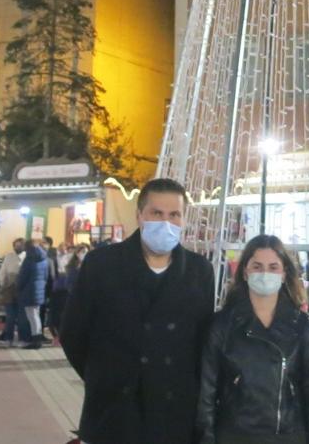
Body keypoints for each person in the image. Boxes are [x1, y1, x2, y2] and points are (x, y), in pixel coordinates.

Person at [61, 178, 215, 444]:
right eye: (157, 213)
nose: (166, 222)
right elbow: (74, 332)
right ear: (140, 216)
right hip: (115, 411)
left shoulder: (199, 270)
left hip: (175, 412)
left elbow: (202, 339)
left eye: (174, 214)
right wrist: (105, 377)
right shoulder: (102, 264)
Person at [197, 234, 309, 444]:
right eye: (257, 266)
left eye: (273, 267)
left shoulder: (302, 326)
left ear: (284, 273)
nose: (265, 273)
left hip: (289, 435)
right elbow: (206, 395)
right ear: (245, 272)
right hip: (235, 435)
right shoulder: (222, 325)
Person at [15, 237, 48, 349]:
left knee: (32, 316)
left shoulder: (29, 259)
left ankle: (35, 340)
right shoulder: (44, 257)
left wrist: (18, 288)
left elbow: (23, 276)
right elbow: (46, 276)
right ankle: (37, 338)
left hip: (28, 291)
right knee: (36, 315)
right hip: (39, 290)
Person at [0, 238, 25, 344]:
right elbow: (2, 271)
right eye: (16, 245)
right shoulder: (9, 256)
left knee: (21, 316)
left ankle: (22, 337)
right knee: (10, 314)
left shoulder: (27, 257)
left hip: (22, 290)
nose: (17, 247)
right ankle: (8, 336)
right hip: (9, 289)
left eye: (20, 245)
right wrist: (3, 284)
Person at [48, 248, 78, 346]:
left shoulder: (74, 266)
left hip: (63, 292)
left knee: (59, 316)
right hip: (59, 291)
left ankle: (60, 336)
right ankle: (58, 336)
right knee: (57, 316)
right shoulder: (69, 264)